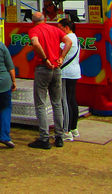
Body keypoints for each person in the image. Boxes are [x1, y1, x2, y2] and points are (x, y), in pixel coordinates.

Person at [27, 11, 66, 149]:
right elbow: (69, 41)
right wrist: (61, 57)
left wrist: (45, 59)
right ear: (44, 19)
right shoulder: (55, 29)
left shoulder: (34, 31)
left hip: (43, 68)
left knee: (40, 104)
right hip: (56, 68)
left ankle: (44, 137)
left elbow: (36, 44)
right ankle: (59, 136)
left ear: (33, 21)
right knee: (57, 103)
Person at [58, 18, 81, 141]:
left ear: (67, 28)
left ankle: (66, 131)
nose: (59, 31)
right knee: (72, 100)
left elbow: (58, 50)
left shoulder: (67, 39)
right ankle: (73, 128)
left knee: (65, 101)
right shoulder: (75, 38)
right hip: (74, 71)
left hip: (66, 73)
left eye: (60, 28)